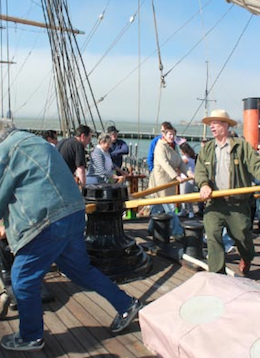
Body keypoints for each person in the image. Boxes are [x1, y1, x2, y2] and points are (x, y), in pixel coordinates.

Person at [0, 119, 142, 352]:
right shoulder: (37, 142)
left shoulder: (5, 151)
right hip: (74, 213)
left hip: (47, 220)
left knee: (22, 277)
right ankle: (126, 304)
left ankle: (31, 336)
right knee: (80, 270)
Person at [195, 109, 260, 274]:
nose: (212, 127)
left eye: (215, 123)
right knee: (213, 236)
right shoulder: (207, 149)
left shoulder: (242, 147)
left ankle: (247, 257)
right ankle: (217, 275)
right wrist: (203, 184)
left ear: (226, 125)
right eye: (210, 124)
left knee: (242, 237)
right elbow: (200, 170)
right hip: (214, 203)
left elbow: (256, 167)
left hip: (237, 204)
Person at [149, 123, 194, 240]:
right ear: (164, 134)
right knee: (169, 208)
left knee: (157, 207)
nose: (172, 137)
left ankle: (151, 228)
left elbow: (179, 162)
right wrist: (176, 176)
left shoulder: (173, 147)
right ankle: (177, 232)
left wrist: (189, 173)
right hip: (161, 181)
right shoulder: (160, 147)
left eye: (174, 134)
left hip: (169, 181)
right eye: (170, 134)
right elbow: (165, 164)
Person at [178, 141, 196, 219]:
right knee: (184, 195)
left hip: (187, 178)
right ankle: (184, 210)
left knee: (186, 195)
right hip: (188, 177)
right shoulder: (192, 157)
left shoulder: (185, 159)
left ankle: (190, 211)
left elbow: (179, 166)